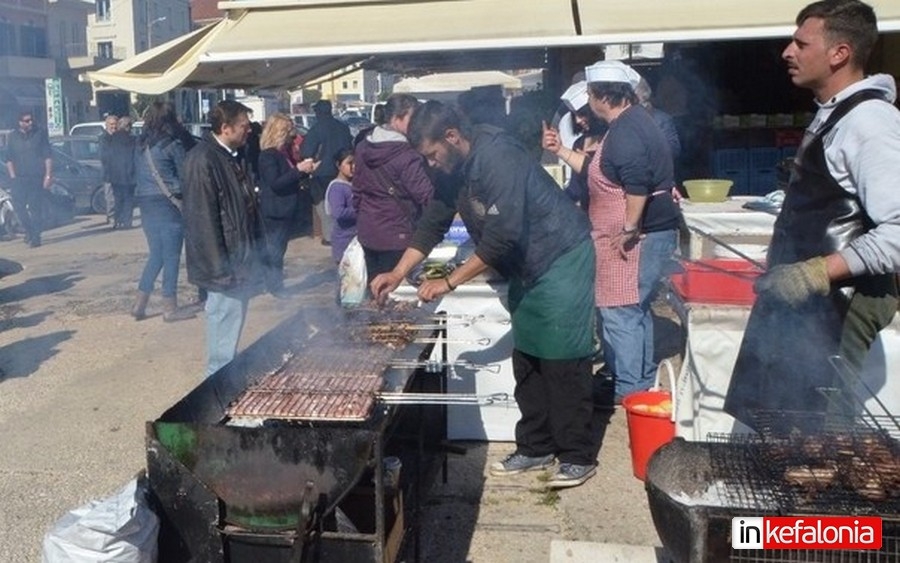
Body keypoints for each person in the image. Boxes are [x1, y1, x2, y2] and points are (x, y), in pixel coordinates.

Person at [371, 101, 597, 489]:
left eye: (431, 154)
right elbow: (432, 223)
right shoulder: (452, 169)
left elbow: (503, 233)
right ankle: (535, 446)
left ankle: (577, 455)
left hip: (561, 256)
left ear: (452, 137)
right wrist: (397, 271)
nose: (429, 164)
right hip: (526, 265)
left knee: (563, 359)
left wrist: (450, 281)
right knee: (528, 357)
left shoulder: (498, 157)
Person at [724, 0, 900, 430]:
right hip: (805, 304)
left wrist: (815, 273)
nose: (788, 51)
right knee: (780, 410)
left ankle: (822, 489)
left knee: (818, 422)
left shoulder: (870, 121)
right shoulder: (834, 113)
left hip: (839, 303)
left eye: (802, 43)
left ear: (839, 53)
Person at [542, 60, 682, 403]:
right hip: (646, 230)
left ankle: (629, 388)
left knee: (621, 311)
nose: (587, 102)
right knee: (633, 308)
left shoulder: (627, 131)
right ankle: (640, 380)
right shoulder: (628, 124)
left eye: (589, 94)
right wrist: (560, 150)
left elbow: (637, 183)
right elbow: (597, 170)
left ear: (601, 95)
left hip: (639, 234)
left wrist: (630, 227)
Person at [182, 100, 264, 377]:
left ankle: (226, 381)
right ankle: (216, 392)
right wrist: (220, 270)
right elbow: (202, 221)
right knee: (222, 338)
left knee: (231, 330)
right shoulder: (202, 159)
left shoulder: (231, 155)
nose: (249, 130)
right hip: (223, 267)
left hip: (237, 261)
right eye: (244, 125)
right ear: (226, 128)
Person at [353, 93, 435, 278]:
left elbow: (357, 191)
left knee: (377, 286)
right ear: (397, 118)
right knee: (399, 292)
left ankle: (375, 306)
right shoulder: (406, 155)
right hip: (398, 234)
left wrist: (363, 220)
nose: (417, 124)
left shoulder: (362, 147)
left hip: (368, 231)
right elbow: (426, 195)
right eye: (413, 119)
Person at [131, 102, 196, 323]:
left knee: (156, 254)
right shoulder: (172, 144)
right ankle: (170, 307)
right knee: (171, 256)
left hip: (146, 203)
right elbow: (184, 175)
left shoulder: (140, 144)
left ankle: (139, 303)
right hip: (168, 205)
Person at [257, 113, 318, 296]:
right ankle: (274, 286)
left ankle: (274, 283)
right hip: (275, 209)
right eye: (289, 130)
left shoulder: (283, 153)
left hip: (285, 208)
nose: (293, 134)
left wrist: (305, 171)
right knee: (274, 250)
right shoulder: (269, 156)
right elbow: (276, 182)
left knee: (279, 248)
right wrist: (298, 170)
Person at [299, 100, 353, 246]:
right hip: (342, 171)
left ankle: (329, 236)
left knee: (323, 204)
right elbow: (349, 147)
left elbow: (306, 151)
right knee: (343, 203)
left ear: (318, 113)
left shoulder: (316, 129)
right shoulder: (343, 127)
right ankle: (344, 232)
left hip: (321, 172)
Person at [4, 111, 52, 248]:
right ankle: (30, 231)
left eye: (31, 120)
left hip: (36, 177)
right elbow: (9, 159)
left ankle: (36, 237)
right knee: (19, 208)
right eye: (27, 120)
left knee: (35, 208)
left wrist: (48, 175)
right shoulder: (13, 137)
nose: (30, 123)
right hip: (18, 178)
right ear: (20, 122)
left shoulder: (40, 134)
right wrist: (13, 176)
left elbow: (47, 156)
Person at [103, 116, 137, 229]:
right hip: (129, 174)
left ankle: (117, 221)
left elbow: (107, 157)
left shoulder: (111, 139)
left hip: (115, 175)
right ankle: (127, 221)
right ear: (128, 127)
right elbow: (135, 157)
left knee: (118, 198)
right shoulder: (132, 140)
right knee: (128, 199)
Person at [325, 148, 357, 263]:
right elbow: (338, 213)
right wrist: (361, 211)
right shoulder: (337, 187)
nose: (353, 166)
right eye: (349, 163)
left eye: (355, 163)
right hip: (344, 240)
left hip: (356, 238)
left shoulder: (354, 184)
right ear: (338, 165)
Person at [99, 114, 118, 225]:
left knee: (119, 196)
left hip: (120, 173)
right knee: (110, 197)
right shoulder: (103, 138)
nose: (114, 127)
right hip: (108, 173)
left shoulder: (119, 137)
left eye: (115, 124)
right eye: (111, 124)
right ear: (106, 125)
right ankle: (111, 217)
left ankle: (118, 217)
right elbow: (103, 156)